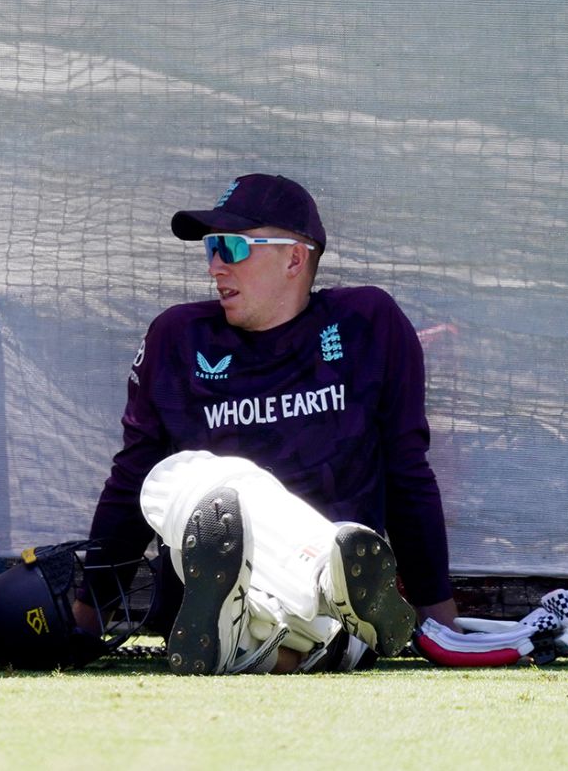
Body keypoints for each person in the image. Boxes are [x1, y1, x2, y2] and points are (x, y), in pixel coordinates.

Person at [75, 173, 458, 673]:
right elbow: (131, 484)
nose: (214, 266)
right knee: (183, 480)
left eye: (231, 247)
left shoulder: (367, 324)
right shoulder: (178, 338)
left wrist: (440, 624)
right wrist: (85, 618)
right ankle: (284, 632)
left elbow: (408, 472)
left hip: (333, 581)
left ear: (294, 259)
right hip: (212, 589)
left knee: (322, 557)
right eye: (211, 247)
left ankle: (275, 636)